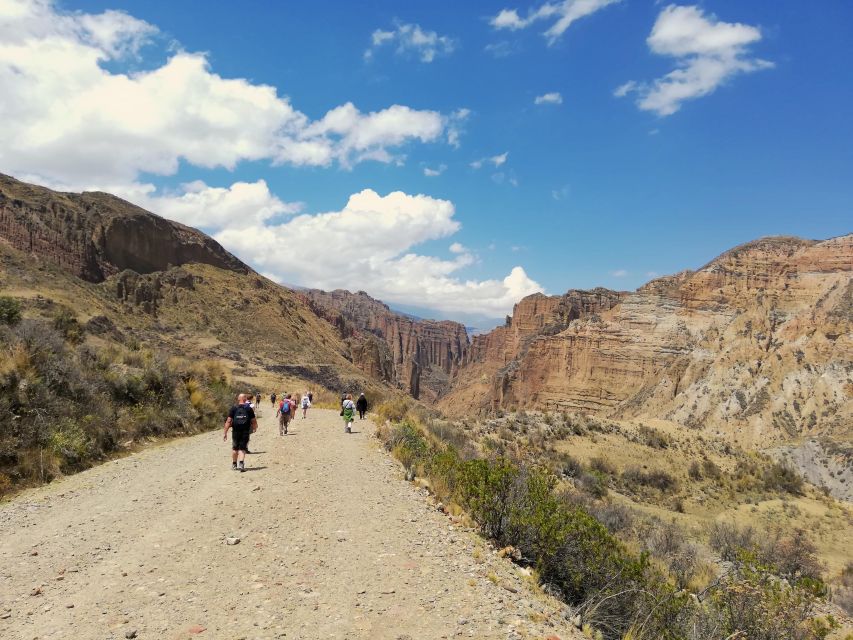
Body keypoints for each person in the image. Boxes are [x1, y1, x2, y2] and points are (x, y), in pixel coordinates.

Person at [224, 393, 257, 472]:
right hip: (245, 431)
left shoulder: (234, 408)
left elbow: (228, 421)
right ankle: (241, 464)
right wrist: (255, 427)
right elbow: (253, 420)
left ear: (238, 399)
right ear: (245, 399)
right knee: (242, 448)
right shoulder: (249, 409)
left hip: (235, 431)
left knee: (235, 448)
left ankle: (234, 464)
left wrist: (225, 432)